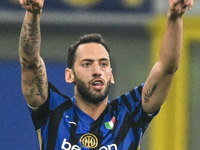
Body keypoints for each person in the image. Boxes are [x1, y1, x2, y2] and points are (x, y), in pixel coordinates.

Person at [18, 0, 193, 149]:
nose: (97, 71)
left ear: (111, 74)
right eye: (87, 64)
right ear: (69, 75)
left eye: (104, 64)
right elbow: (30, 63)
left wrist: (175, 16)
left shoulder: (129, 112)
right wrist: (33, 14)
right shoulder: (53, 111)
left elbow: (166, 68)